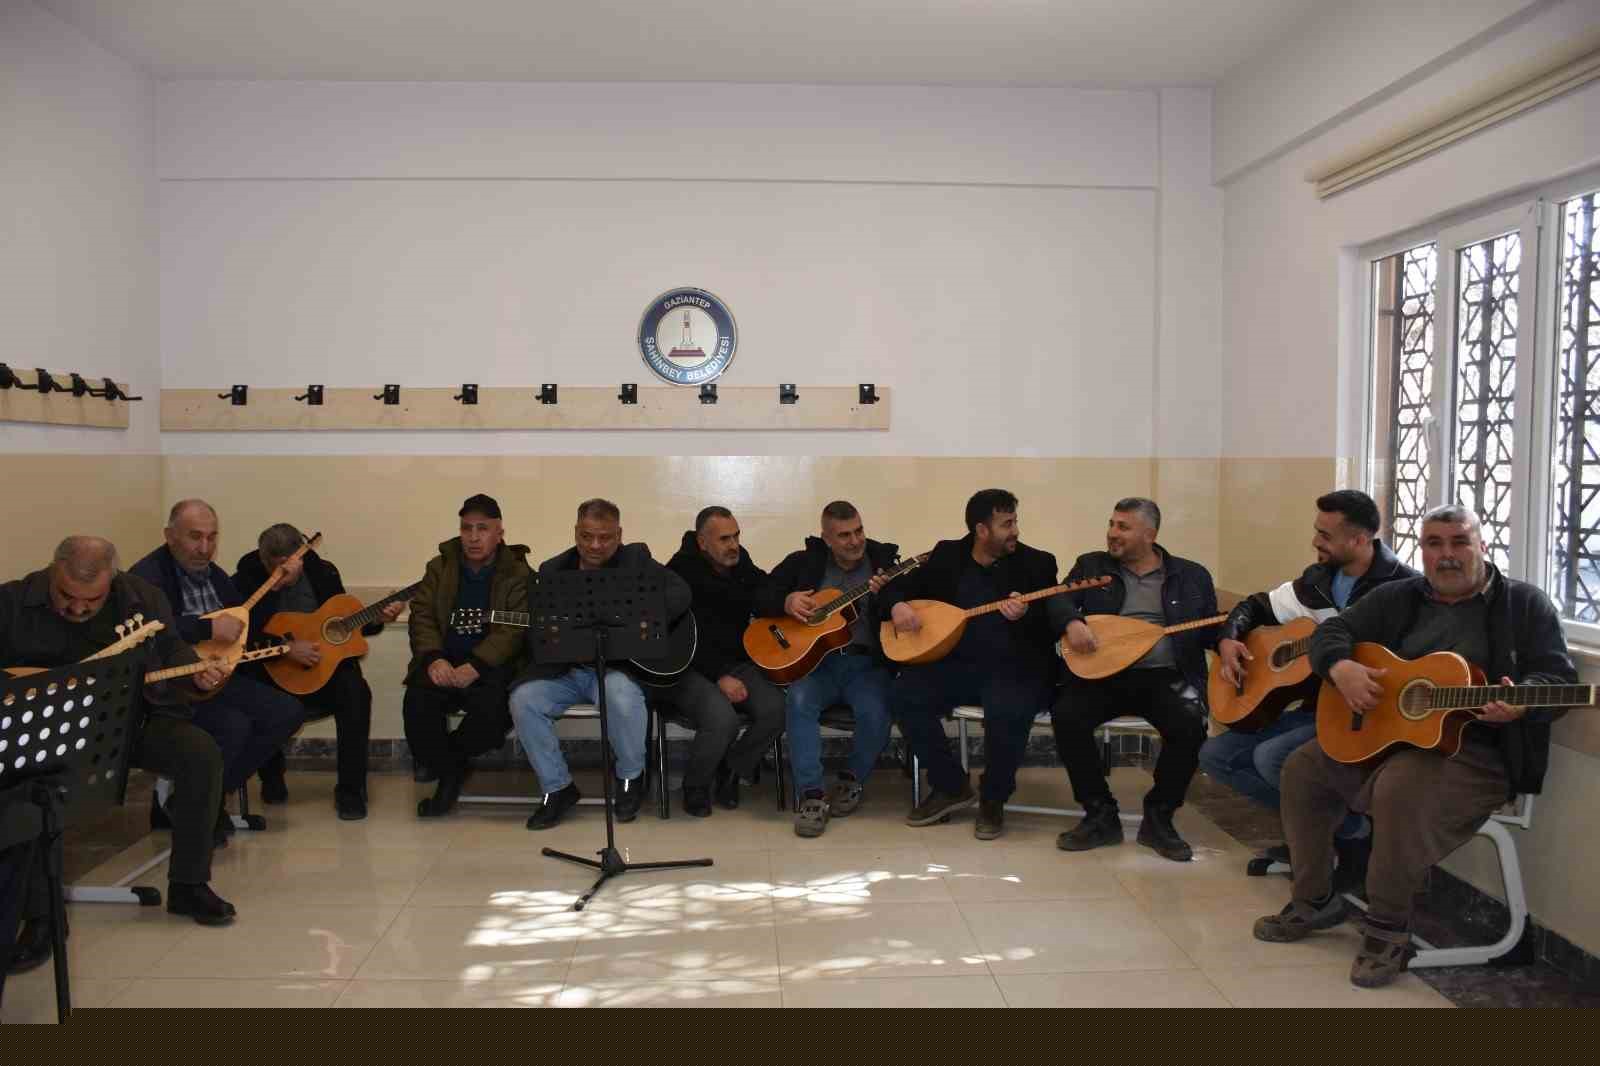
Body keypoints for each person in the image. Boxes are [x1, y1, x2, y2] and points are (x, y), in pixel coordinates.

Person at [1254, 504, 1577, 988]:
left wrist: (1523, 705)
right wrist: (1341, 668)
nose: (1447, 555)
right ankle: (1315, 899)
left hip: (1478, 753)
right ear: (1421, 550)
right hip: (1391, 738)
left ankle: (1387, 930)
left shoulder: (1524, 605)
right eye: (1435, 544)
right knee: (1304, 768)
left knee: (1400, 789)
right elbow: (1333, 633)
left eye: (1459, 542)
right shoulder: (1398, 596)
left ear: (1482, 545)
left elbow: (1557, 679)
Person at [0, 535, 238, 967]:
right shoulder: (12, 603)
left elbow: (173, 652)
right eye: (66, 596)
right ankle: (43, 920)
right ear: (54, 570)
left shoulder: (142, 598)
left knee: (199, 753)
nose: (77, 609)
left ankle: (188, 884)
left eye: (91, 600)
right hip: (48, 735)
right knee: (32, 791)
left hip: (131, 722)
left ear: (112, 580)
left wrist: (197, 677)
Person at [1201, 490, 1414, 872]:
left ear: (1360, 540)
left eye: (1325, 535)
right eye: (1316, 531)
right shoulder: (1318, 580)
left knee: (1272, 758)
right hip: (1316, 710)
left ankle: (1328, 841)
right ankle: (1335, 833)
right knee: (1215, 755)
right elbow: (1256, 605)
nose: (1315, 541)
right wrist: (1230, 637)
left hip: (1363, 716)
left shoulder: (1401, 591)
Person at [881, 489, 1063, 841]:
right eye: (1006, 524)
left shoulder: (1038, 563)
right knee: (904, 693)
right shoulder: (948, 555)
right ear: (981, 530)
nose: (1015, 531)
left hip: (1014, 666)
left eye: (1015, 521)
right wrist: (897, 606)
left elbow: (1053, 618)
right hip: (958, 663)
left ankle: (994, 799)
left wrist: (1026, 614)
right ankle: (951, 786)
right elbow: (895, 587)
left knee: (1008, 707)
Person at [510, 499, 691, 831]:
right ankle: (558, 788)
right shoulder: (553, 571)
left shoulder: (637, 560)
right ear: (575, 532)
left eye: (605, 537)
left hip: (615, 669)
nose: (594, 545)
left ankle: (629, 779)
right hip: (567, 671)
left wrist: (638, 621)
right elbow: (541, 631)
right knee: (524, 699)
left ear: (619, 535)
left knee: (621, 695)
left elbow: (680, 593)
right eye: (586, 536)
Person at [1053, 497, 1217, 862]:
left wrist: (1232, 640)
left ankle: (1159, 817)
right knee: (1067, 717)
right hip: (1104, 674)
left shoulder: (1192, 575)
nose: (1112, 533)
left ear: (1150, 533)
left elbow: (1209, 630)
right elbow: (1058, 600)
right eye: (1111, 524)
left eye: (1123, 527)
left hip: (1165, 677)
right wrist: (1072, 622)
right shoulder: (1092, 565)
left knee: (1190, 724)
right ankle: (1100, 814)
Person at [129, 500, 305, 835]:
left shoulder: (214, 575)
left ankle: (197, 800)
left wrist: (276, 585)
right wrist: (205, 629)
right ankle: (199, 807)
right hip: (171, 687)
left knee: (285, 712)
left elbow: (243, 619)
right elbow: (146, 631)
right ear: (169, 536)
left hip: (218, 680)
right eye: (195, 537)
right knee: (233, 725)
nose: (205, 548)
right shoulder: (145, 578)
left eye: (212, 538)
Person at [233, 523, 405, 820]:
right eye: (274, 566)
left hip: (322, 668)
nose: (284, 573)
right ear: (264, 560)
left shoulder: (323, 571)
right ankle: (271, 777)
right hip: (273, 669)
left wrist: (378, 618)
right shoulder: (246, 576)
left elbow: (342, 623)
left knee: (355, 691)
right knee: (255, 692)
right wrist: (285, 644)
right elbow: (241, 635)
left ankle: (350, 791)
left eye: (289, 565)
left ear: (299, 555)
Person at [754, 500, 897, 837]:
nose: (855, 541)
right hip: (818, 663)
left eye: (859, 531)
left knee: (877, 711)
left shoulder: (883, 564)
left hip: (866, 664)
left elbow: (908, 600)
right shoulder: (804, 563)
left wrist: (887, 596)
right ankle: (812, 795)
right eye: (844, 535)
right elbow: (760, 595)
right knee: (799, 702)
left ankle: (851, 779)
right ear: (827, 538)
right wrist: (787, 601)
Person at [403, 494, 531, 818]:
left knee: (495, 714)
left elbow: (512, 631)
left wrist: (476, 666)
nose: (473, 537)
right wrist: (433, 658)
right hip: (442, 661)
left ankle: (450, 771)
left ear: (499, 533)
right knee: (417, 705)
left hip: (491, 667)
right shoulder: (440, 566)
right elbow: (422, 615)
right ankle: (451, 769)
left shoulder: (517, 572)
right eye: (467, 528)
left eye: (483, 529)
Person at [659, 507, 786, 817]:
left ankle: (731, 768)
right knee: (722, 719)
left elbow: (766, 589)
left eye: (737, 536)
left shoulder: (739, 563)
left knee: (778, 710)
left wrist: (786, 600)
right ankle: (696, 785)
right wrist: (719, 677)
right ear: (703, 543)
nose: (734, 545)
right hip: (688, 668)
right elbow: (677, 640)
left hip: (738, 662)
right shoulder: (679, 574)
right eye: (725, 539)